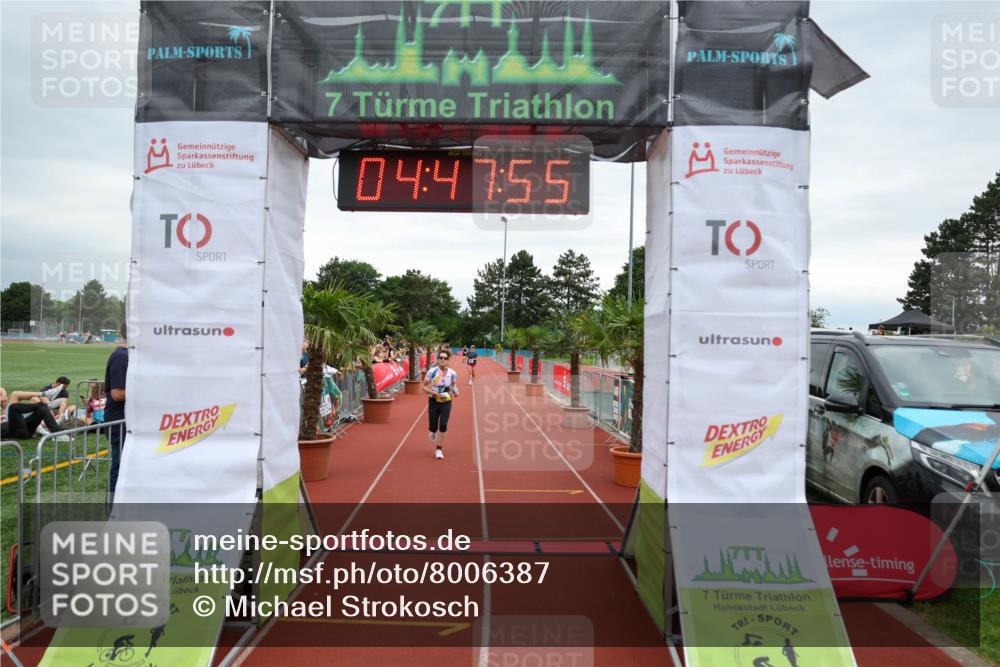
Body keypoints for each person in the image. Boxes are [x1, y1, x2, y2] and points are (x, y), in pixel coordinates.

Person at [422, 350, 459, 460]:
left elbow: (453, 385)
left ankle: (439, 449)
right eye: (441, 358)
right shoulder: (432, 372)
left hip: (446, 400)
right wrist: (431, 392)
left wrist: (456, 391)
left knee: (443, 424)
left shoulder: (452, 373)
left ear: (448, 360)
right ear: (438, 359)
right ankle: (432, 430)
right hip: (433, 400)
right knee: (433, 424)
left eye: (445, 358)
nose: (443, 360)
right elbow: (423, 386)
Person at [105, 322, 128, 494]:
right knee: (120, 468)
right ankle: (114, 511)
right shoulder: (121, 356)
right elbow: (118, 394)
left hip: (127, 421)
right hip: (119, 422)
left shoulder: (128, 355)